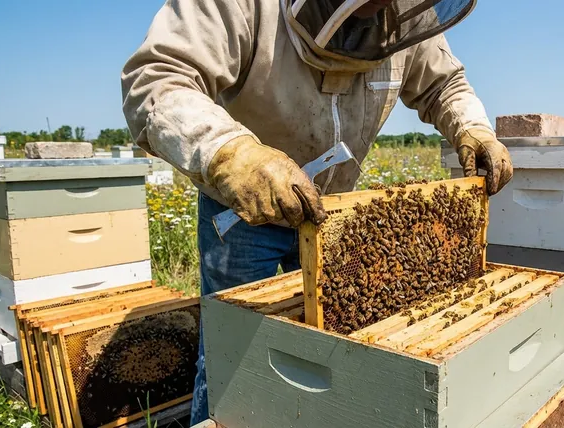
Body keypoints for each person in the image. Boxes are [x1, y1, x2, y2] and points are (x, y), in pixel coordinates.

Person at [120, 0, 513, 423]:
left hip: (332, 217)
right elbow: (156, 79)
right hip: (243, 212)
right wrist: (228, 153)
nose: (376, 11)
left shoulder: (404, 12)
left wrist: (472, 126)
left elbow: (444, 83)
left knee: (326, 357)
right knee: (229, 356)